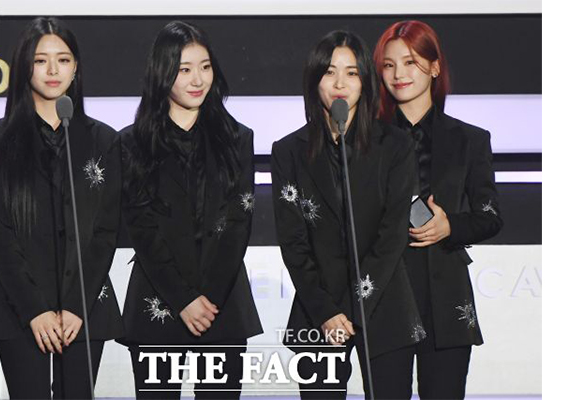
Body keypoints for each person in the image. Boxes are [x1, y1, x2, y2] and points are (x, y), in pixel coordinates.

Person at [0, 17, 123, 399]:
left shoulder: (103, 140)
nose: (53, 70)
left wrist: (76, 307)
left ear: (76, 68)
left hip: (85, 306)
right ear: (24, 66)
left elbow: (105, 231)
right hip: (19, 307)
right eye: (41, 60)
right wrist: (35, 310)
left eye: (63, 59)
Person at [271, 30, 424, 399]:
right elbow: (293, 241)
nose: (340, 83)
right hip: (318, 311)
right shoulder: (289, 151)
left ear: (365, 81)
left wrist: (356, 307)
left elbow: (392, 235)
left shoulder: (396, 145)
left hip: (383, 306)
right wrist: (326, 312)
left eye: (352, 73)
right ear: (314, 81)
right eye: (329, 72)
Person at [118, 20, 262, 399]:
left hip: (222, 305)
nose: (198, 79)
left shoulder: (237, 139)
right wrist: (183, 299)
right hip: (158, 302)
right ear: (162, 73)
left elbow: (239, 222)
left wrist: (207, 299)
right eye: (184, 70)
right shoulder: (132, 144)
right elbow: (142, 228)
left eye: (205, 67)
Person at [372, 20, 503, 399]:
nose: (399, 74)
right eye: (389, 64)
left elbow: (490, 216)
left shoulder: (470, 140)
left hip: (446, 297)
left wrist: (450, 226)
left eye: (410, 62)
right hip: (384, 294)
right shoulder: (365, 140)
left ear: (434, 67)